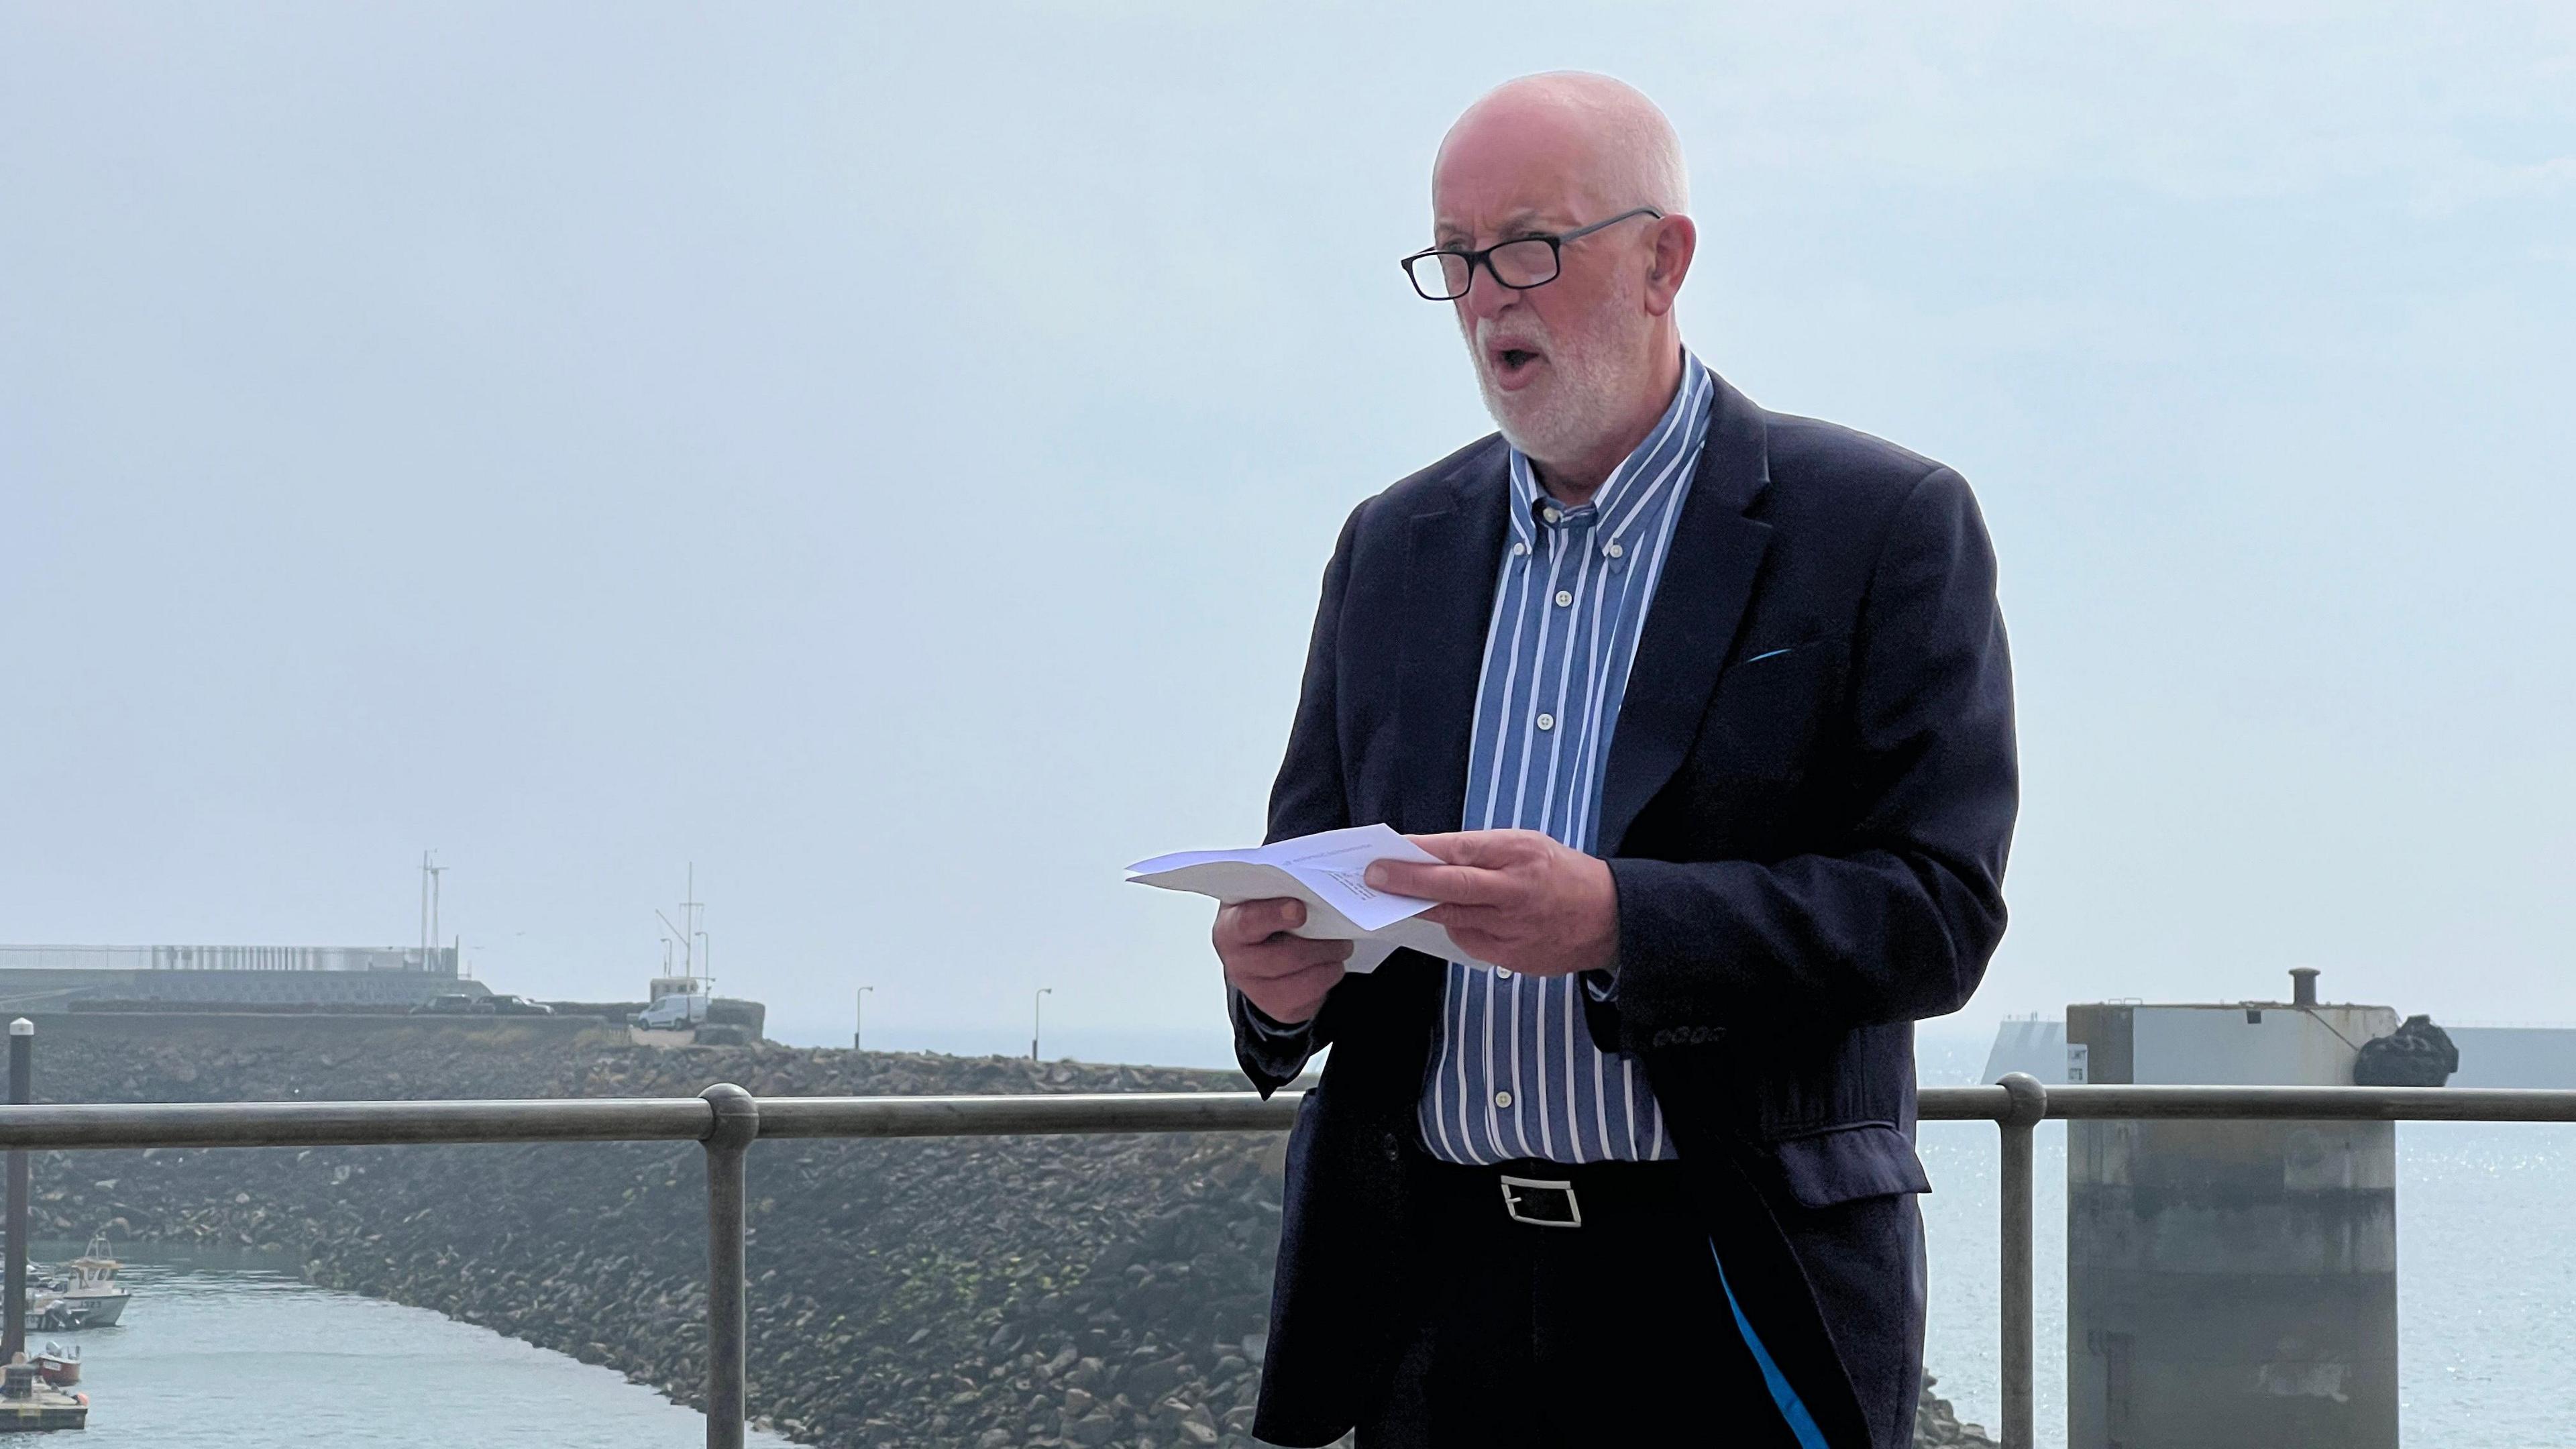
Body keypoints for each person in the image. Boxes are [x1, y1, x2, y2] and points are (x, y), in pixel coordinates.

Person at [1214, 72, 2018, 1448]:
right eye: (1455, 257)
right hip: (1433, 1296)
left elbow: (1936, 913)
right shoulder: (1391, 547)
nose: (1486, 295)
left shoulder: (1879, 525)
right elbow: (1317, 871)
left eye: (1530, 244)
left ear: (1665, 258)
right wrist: (1279, 987)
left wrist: (1619, 922)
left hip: (1726, 1283)